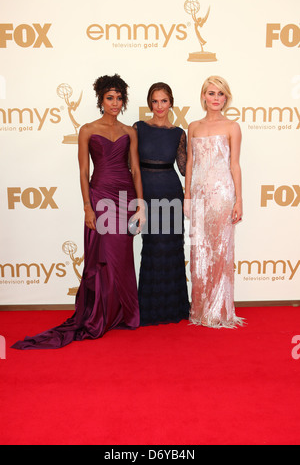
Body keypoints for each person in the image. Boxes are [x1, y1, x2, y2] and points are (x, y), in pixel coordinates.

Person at [12, 74, 144, 350]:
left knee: (120, 256)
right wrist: (87, 206)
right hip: (99, 196)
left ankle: (122, 313)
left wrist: (140, 204)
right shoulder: (86, 130)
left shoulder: (130, 132)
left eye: (119, 98)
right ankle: (99, 314)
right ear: (100, 99)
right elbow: (83, 171)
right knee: (102, 256)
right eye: (110, 98)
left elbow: (135, 169)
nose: (115, 103)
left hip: (124, 198)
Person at [184, 75, 244, 328]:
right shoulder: (193, 126)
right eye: (211, 93)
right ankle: (199, 309)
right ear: (203, 96)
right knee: (199, 251)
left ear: (226, 98)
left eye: (220, 94)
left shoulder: (232, 127)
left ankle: (219, 311)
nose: (216, 98)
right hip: (198, 194)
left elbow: (235, 165)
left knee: (220, 250)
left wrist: (239, 199)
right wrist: (186, 195)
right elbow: (189, 163)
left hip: (221, 194)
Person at [134, 82, 190, 326]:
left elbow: (184, 168)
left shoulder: (178, 133)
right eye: (155, 101)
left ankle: (174, 308)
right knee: (152, 248)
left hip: (171, 191)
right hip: (146, 192)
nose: (159, 106)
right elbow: (131, 166)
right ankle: (149, 309)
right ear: (149, 103)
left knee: (172, 249)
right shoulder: (138, 128)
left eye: (164, 101)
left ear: (171, 103)